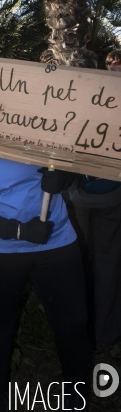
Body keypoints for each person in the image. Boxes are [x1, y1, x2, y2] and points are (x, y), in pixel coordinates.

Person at [0, 62, 90, 410]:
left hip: (56, 242)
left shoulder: (39, 128)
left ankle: (77, 397)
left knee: (72, 323)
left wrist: (65, 179)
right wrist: (20, 231)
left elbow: (69, 163)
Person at [65, 49, 121, 348]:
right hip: (105, 195)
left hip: (81, 195)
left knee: (77, 265)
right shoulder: (114, 100)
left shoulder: (61, 103)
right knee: (107, 264)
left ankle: (83, 332)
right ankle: (104, 334)